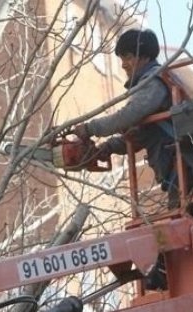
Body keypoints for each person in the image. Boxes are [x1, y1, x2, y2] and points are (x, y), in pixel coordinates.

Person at [72, 29, 175, 290]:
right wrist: (107, 147)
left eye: (127, 56)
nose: (123, 64)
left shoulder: (154, 82)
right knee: (181, 215)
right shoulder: (150, 86)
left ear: (142, 55)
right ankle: (160, 271)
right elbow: (140, 133)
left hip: (183, 163)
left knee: (184, 218)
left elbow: (129, 116)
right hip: (173, 165)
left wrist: (91, 128)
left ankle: (162, 271)